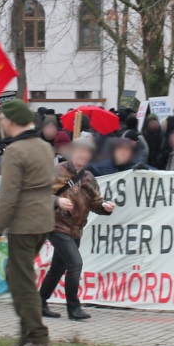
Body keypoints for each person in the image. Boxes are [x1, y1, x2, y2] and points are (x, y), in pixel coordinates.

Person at [0, 100, 55, 346]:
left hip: (24, 223)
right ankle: (27, 334)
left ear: (10, 120)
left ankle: (37, 338)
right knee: (18, 277)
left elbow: (8, 196)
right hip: (43, 220)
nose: (1, 122)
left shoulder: (15, 152)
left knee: (21, 282)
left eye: (3, 118)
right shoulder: (43, 146)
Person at [39, 136, 114, 320]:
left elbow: (95, 202)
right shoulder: (57, 171)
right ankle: (74, 308)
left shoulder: (88, 177)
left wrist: (104, 206)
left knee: (58, 267)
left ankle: (39, 303)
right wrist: (57, 201)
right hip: (56, 225)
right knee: (75, 263)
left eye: (87, 153)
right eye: (80, 151)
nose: (83, 155)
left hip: (75, 228)